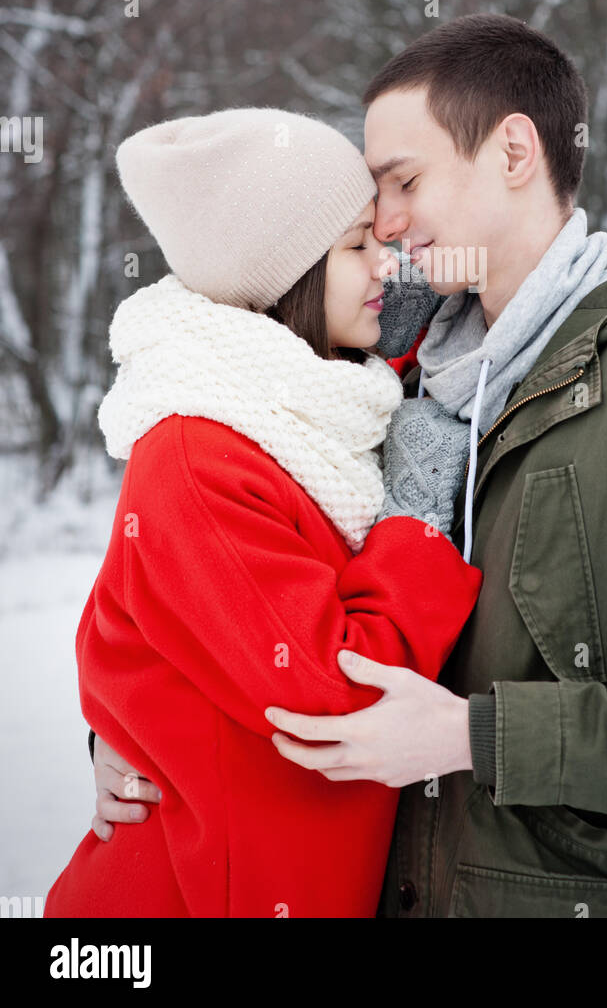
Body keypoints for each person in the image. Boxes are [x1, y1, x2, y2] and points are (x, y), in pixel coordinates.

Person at [86, 15, 607, 918]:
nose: (385, 222)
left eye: (404, 181)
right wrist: (137, 736)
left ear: (513, 151)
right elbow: (233, 596)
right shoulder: (389, 381)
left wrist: (477, 737)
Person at [43, 107, 482, 919]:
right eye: (356, 246)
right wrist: (417, 523)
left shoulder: (320, 410)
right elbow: (336, 699)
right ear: (285, 278)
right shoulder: (197, 457)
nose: (387, 264)